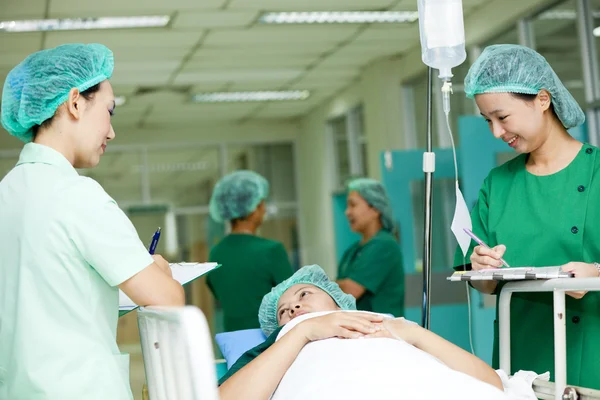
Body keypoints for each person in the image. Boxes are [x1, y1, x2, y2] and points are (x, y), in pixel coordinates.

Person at [0, 44, 185, 400]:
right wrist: (159, 269)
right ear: (75, 103)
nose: (111, 132)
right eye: (109, 111)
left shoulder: (7, 193)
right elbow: (169, 299)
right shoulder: (77, 195)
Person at [455, 44, 600, 389]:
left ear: (543, 100)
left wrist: (595, 273)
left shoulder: (596, 171)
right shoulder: (498, 184)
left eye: (502, 118)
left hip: (593, 353)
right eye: (487, 120)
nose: (495, 132)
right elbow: (484, 283)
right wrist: (481, 268)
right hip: (520, 364)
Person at [218, 265, 507, 400]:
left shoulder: (386, 325)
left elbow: (490, 384)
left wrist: (414, 333)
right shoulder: (278, 345)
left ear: (336, 300)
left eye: (304, 294)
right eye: (283, 312)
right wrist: (302, 331)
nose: (293, 307)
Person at [207, 170, 293, 332]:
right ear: (253, 209)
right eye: (262, 204)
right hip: (268, 339)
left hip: (232, 337)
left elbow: (218, 294)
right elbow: (293, 298)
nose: (265, 210)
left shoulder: (216, 253)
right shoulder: (271, 250)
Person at [336, 178, 404, 317]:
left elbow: (350, 290)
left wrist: (328, 285)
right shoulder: (352, 251)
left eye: (353, 205)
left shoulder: (384, 245)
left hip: (382, 330)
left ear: (375, 209)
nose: (347, 212)